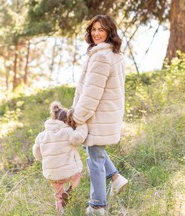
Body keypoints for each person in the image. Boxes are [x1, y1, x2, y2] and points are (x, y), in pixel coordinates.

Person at [72, 14, 128, 215]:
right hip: (106, 114)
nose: (96, 33)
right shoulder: (114, 54)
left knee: (94, 159)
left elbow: (92, 93)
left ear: (109, 32)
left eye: (101, 30)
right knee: (94, 150)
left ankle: (97, 206)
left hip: (97, 114)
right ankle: (115, 178)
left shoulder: (102, 57)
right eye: (94, 29)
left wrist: (77, 117)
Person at [32, 101, 88, 214]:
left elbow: (37, 155)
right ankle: (71, 190)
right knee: (78, 174)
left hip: (52, 174)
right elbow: (77, 139)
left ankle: (60, 210)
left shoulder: (41, 135)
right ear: (67, 121)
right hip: (69, 173)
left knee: (58, 194)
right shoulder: (68, 131)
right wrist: (82, 126)